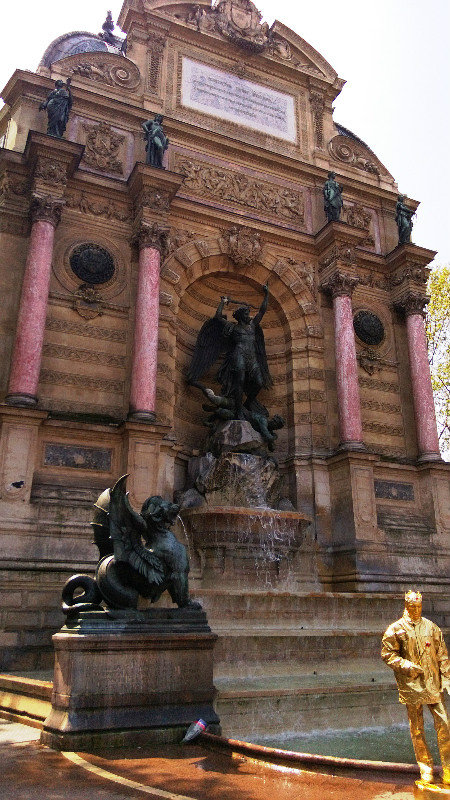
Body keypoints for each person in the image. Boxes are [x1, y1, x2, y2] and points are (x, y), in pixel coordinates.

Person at [381, 591, 450, 784]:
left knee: (444, 723)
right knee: (417, 728)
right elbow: (388, 654)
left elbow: (442, 654)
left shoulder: (431, 627)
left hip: (433, 684)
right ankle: (426, 768)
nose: (417, 610)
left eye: (419, 607)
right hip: (411, 685)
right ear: (406, 606)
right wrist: (407, 666)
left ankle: (448, 768)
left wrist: (446, 678)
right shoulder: (395, 629)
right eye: (413, 607)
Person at [214, 284, 270, 420]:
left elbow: (262, 311)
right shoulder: (232, 327)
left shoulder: (252, 326)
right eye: (245, 314)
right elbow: (217, 318)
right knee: (239, 381)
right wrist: (222, 303)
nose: (248, 315)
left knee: (259, 382)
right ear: (239, 316)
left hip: (252, 357)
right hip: (238, 355)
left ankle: (246, 404)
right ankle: (239, 411)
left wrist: (267, 295)